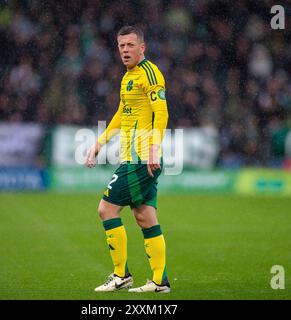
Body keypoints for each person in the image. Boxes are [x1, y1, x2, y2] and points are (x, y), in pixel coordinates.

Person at [85, 26, 170, 293]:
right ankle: (160, 281)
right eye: (121, 45)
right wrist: (99, 143)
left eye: (130, 45)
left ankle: (121, 275)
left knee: (106, 209)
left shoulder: (150, 73)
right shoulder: (127, 77)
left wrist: (154, 148)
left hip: (142, 158)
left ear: (142, 47)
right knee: (145, 216)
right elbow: (122, 115)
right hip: (135, 157)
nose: (125, 50)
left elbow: (162, 112)